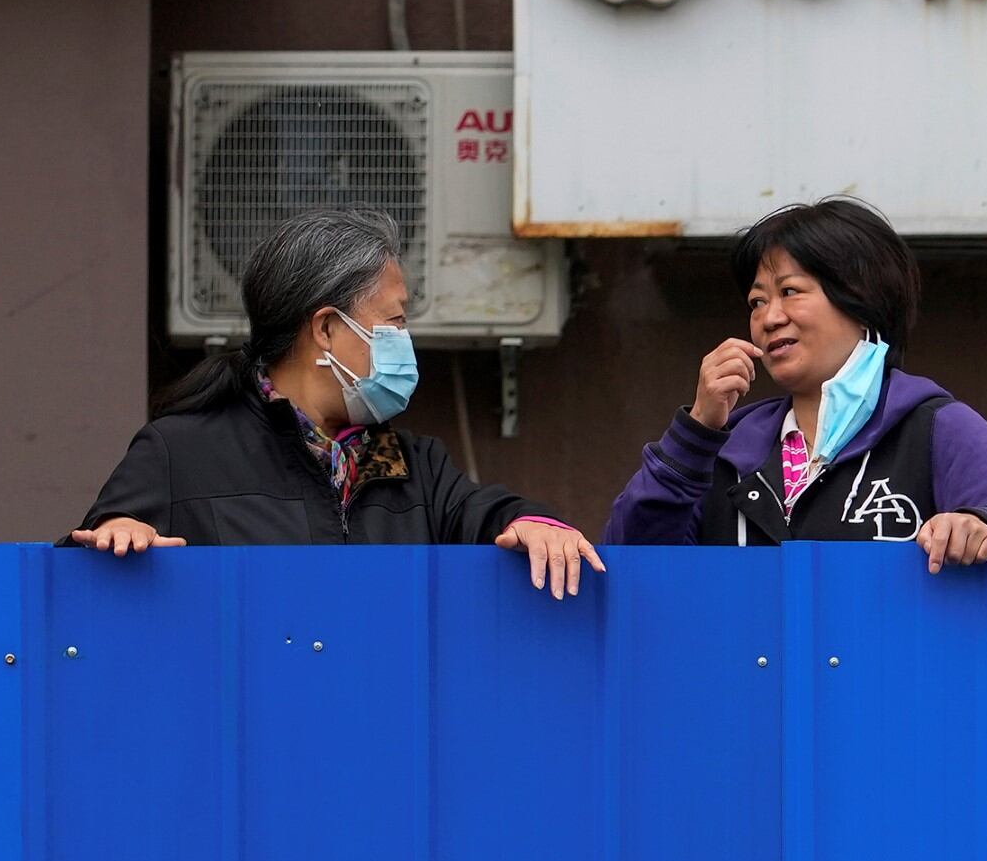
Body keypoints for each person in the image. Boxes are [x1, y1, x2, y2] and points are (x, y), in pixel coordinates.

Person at [73, 206, 601, 598]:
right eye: (394, 321)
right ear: (326, 328)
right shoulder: (179, 451)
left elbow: (487, 514)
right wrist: (118, 536)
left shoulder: (414, 466)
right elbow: (74, 589)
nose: (406, 338)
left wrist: (535, 523)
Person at [603, 198, 987, 568]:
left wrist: (984, 524)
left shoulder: (934, 426)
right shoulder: (727, 450)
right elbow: (634, 561)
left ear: (860, 299)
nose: (769, 318)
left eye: (789, 292)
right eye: (756, 302)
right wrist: (697, 432)